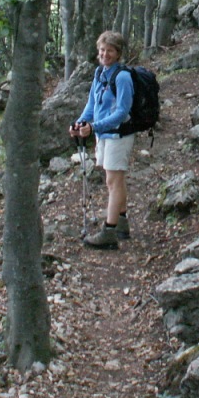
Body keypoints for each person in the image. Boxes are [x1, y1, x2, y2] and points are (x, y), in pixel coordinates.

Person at [69, 30, 135, 250]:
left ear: (118, 53)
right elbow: (92, 105)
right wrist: (80, 123)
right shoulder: (100, 73)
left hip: (119, 135)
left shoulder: (123, 77)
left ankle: (109, 232)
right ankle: (122, 223)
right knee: (112, 181)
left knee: (114, 181)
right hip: (104, 134)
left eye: (110, 50)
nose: (105, 54)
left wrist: (94, 126)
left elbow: (122, 112)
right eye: (102, 50)